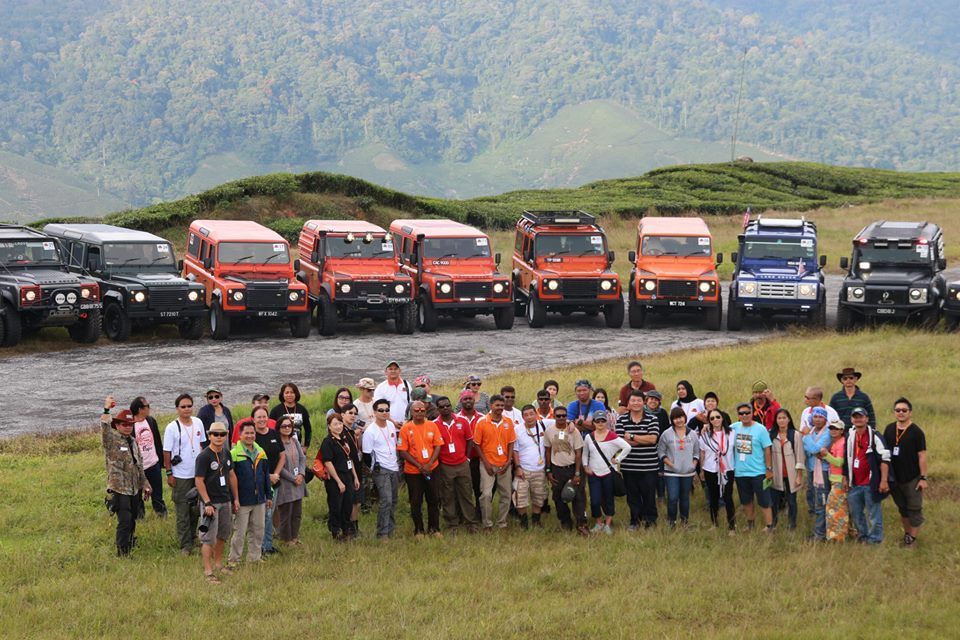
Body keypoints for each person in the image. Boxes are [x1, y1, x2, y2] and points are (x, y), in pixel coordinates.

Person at [100, 396, 151, 556]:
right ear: (117, 425)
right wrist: (106, 409)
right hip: (119, 488)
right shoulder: (111, 440)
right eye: (124, 424)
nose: (128, 427)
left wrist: (145, 483)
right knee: (125, 520)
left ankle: (130, 543)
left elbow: (139, 464)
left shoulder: (134, 442)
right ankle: (122, 552)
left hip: (134, 487)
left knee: (133, 518)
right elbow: (104, 427)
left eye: (130, 424)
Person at [194, 422, 238, 583]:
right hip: (211, 502)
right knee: (208, 538)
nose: (219, 437)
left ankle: (218, 564)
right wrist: (207, 502)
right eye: (215, 434)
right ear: (209, 435)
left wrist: (236, 498)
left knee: (223, 535)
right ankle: (208, 571)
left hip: (225, 499)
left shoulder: (227, 453)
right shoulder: (204, 456)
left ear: (226, 435)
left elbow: (231, 475)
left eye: (222, 434)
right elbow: (199, 480)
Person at [163, 393, 206, 555]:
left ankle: (193, 537)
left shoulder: (198, 422)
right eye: (183, 407)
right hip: (180, 475)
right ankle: (185, 545)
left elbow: (202, 445)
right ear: (177, 409)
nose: (187, 409)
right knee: (182, 511)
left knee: (195, 509)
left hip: (198, 474)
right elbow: (166, 452)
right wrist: (169, 473)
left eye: (189, 406)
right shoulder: (171, 427)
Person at [883, 397, 927, 549]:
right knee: (902, 509)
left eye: (904, 410)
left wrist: (923, 478)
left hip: (912, 477)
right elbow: (884, 453)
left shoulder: (917, 432)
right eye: (898, 410)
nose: (901, 413)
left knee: (914, 509)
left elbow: (922, 455)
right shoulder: (889, 429)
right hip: (894, 478)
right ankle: (907, 536)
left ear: (910, 412)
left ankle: (912, 540)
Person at [398, 400, 444, 537]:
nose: (419, 412)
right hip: (413, 472)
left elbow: (438, 446)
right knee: (416, 501)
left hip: (432, 469)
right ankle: (419, 530)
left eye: (422, 410)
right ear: (411, 412)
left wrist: (429, 464)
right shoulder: (406, 428)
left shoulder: (432, 425)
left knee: (434, 499)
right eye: (416, 410)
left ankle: (434, 529)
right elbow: (402, 451)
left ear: (426, 411)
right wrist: (419, 466)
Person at [228, 423, 273, 564]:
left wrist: (269, 495)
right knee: (240, 532)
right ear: (240, 435)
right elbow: (230, 479)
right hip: (242, 500)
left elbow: (266, 475)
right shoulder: (234, 453)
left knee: (258, 530)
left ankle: (254, 558)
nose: (249, 436)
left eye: (252, 433)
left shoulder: (261, 452)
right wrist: (234, 499)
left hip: (259, 499)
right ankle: (234, 560)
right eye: (246, 433)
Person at [616, 390, 661, 529]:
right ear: (628, 403)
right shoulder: (621, 420)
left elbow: (653, 439)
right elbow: (620, 442)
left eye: (639, 400)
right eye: (633, 400)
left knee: (649, 495)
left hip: (649, 466)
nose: (636, 403)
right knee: (632, 496)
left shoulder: (652, 419)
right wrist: (642, 439)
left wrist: (632, 437)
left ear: (644, 402)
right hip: (629, 466)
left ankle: (650, 521)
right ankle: (635, 520)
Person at [581, 410, 631, 534]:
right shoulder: (589, 437)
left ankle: (608, 524)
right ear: (593, 423)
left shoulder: (612, 436)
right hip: (593, 473)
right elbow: (585, 453)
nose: (600, 423)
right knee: (595, 500)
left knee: (609, 498)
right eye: (597, 421)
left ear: (606, 422)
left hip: (608, 473)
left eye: (602, 420)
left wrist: (617, 459)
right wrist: (585, 466)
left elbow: (627, 447)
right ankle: (598, 523)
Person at [846, 407, 890, 545]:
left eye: (861, 416)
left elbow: (885, 459)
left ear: (867, 419)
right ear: (851, 419)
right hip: (855, 483)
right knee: (856, 513)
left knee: (873, 513)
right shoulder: (850, 436)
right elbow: (846, 458)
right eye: (855, 417)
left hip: (871, 483)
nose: (858, 419)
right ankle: (863, 536)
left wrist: (883, 480)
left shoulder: (875, 436)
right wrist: (846, 478)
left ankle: (875, 540)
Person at [435, 396, 478, 534]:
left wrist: (467, 458)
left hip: (462, 464)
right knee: (448, 495)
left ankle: (470, 522)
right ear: (438, 409)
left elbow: (470, 440)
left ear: (451, 406)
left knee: (466, 493)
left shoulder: (462, 420)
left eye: (447, 405)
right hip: (445, 465)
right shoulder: (434, 424)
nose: (445, 408)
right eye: (442, 407)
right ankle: (452, 524)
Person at [474, 394, 516, 531]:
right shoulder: (482, 422)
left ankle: (502, 522)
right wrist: (486, 463)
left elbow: (511, 443)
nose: (500, 408)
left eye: (502, 405)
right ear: (491, 405)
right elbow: (477, 444)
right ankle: (487, 524)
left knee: (506, 494)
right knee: (486, 495)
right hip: (487, 464)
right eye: (497, 405)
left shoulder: (508, 422)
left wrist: (508, 461)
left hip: (504, 464)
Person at [544, 406, 588, 535]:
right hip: (557, 469)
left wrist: (577, 473)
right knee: (558, 497)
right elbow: (548, 451)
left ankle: (581, 524)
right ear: (554, 416)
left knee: (578, 497)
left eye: (564, 416)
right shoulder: (549, 431)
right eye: (558, 416)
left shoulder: (573, 431)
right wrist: (548, 470)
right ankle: (566, 522)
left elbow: (578, 453)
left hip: (573, 467)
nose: (561, 418)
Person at [732, 402, 774, 532]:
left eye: (747, 413)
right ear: (738, 415)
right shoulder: (734, 427)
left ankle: (769, 526)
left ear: (752, 413)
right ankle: (750, 525)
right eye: (741, 413)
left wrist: (769, 469)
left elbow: (767, 449)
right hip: (740, 472)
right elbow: (719, 430)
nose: (744, 415)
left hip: (758, 472)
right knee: (746, 501)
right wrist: (706, 426)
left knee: (764, 500)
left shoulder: (761, 429)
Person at [362, 398, 400, 539]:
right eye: (381, 410)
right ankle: (382, 533)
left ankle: (390, 529)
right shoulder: (370, 431)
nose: (384, 412)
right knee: (386, 500)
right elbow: (366, 454)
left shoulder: (391, 425)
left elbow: (394, 445)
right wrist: (373, 469)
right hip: (381, 469)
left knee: (393, 500)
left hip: (394, 467)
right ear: (375, 412)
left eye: (387, 410)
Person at [320, 413, 360, 540]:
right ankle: (335, 531)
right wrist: (338, 481)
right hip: (336, 478)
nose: (338, 426)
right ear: (329, 426)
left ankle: (346, 530)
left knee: (347, 504)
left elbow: (350, 459)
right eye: (335, 424)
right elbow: (328, 462)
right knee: (336, 506)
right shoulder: (328, 442)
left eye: (340, 423)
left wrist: (355, 477)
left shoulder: (344, 439)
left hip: (348, 476)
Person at [658, 407, 700, 528]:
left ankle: (684, 522)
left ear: (685, 418)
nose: (679, 420)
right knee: (672, 497)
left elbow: (696, 452)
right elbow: (661, 452)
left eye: (681, 417)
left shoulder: (692, 434)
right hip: (671, 472)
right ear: (672, 420)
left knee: (685, 498)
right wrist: (670, 464)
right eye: (676, 418)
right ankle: (672, 522)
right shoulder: (666, 434)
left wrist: (693, 465)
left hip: (688, 472)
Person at [253, 406, 286, 555]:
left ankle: (267, 545)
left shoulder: (273, 433)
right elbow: (251, 462)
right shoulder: (252, 436)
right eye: (259, 417)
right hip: (259, 483)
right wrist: (267, 477)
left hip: (274, 482)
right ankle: (261, 547)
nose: (262, 419)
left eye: (264, 416)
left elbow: (282, 456)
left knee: (269, 514)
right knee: (262, 516)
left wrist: (276, 474)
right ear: (253, 419)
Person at [699, 408, 736, 530]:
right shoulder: (705, 435)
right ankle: (714, 523)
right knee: (713, 497)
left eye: (718, 417)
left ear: (722, 418)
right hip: (710, 469)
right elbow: (702, 453)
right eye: (712, 418)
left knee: (728, 497)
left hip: (727, 469)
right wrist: (701, 470)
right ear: (709, 421)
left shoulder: (731, 433)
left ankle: (732, 526)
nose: (715, 420)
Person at [513, 405, 548, 529]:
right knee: (520, 497)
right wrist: (518, 467)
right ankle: (523, 521)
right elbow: (515, 450)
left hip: (539, 469)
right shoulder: (517, 430)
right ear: (522, 417)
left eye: (531, 414)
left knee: (539, 496)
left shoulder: (544, 425)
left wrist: (571, 423)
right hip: (523, 469)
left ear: (536, 414)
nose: (529, 417)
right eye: (526, 415)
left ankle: (536, 520)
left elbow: (562, 421)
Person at [131, 396, 167, 517]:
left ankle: (161, 514)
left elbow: (157, 441)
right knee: (137, 496)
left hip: (153, 464)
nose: (149, 408)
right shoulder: (130, 425)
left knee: (158, 494)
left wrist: (161, 461)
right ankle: (139, 517)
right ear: (140, 409)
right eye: (147, 406)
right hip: (137, 467)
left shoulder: (151, 421)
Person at [769, 409, 804, 530]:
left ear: (789, 419)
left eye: (784, 418)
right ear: (776, 420)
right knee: (774, 501)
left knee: (792, 501)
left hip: (791, 474)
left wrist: (799, 475)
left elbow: (800, 456)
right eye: (779, 418)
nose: (782, 420)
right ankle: (773, 524)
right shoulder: (771, 435)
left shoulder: (795, 435)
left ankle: (792, 525)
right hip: (776, 473)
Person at [274, 416, 307, 546]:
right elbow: (278, 466)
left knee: (297, 512)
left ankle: (294, 537)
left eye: (289, 426)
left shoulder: (294, 441)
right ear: (279, 428)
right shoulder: (277, 444)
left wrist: (301, 474)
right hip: (286, 482)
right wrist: (293, 478)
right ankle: (286, 540)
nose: (287, 428)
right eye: (284, 426)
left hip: (298, 480)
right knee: (286, 513)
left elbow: (302, 458)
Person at [803, 407, 833, 541]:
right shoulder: (812, 431)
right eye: (815, 417)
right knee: (814, 501)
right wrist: (813, 449)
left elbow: (814, 449)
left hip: (823, 471)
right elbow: (809, 450)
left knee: (822, 502)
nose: (818, 419)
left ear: (825, 419)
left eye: (821, 417)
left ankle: (820, 534)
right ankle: (819, 531)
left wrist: (806, 437)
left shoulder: (827, 433)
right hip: (811, 469)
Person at [820, 419, 849, 542]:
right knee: (839, 508)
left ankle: (836, 536)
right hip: (835, 479)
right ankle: (842, 534)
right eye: (831, 428)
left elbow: (839, 462)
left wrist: (826, 455)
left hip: (839, 480)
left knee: (833, 508)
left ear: (842, 430)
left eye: (836, 428)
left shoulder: (841, 443)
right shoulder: (836, 442)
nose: (833, 430)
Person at [340, 403, 365, 534]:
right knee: (348, 500)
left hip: (357, 469)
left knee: (355, 501)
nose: (353, 415)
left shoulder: (351, 431)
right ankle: (347, 528)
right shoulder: (341, 432)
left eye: (355, 413)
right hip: (347, 471)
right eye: (350, 413)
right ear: (342, 414)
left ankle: (355, 528)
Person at [270, 382, 312, 449]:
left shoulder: (302, 409)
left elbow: (308, 429)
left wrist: (306, 446)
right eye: (286, 393)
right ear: (282, 394)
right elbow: (271, 430)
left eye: (292, 392)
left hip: (298, 446)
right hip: (281, 447)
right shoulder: (275, 410)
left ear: (296, 394)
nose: (289, 395)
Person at [374, 360, 411, 425]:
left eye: (395, 369)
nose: (393, 371)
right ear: (386, 372)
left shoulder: (406, 384)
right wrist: (393, 422)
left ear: (399, 371)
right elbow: (378, 408)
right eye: (390, 369)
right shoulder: (380, 388)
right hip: (388, 424)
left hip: (407, 423)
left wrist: (408, 421)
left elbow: (411, 403)